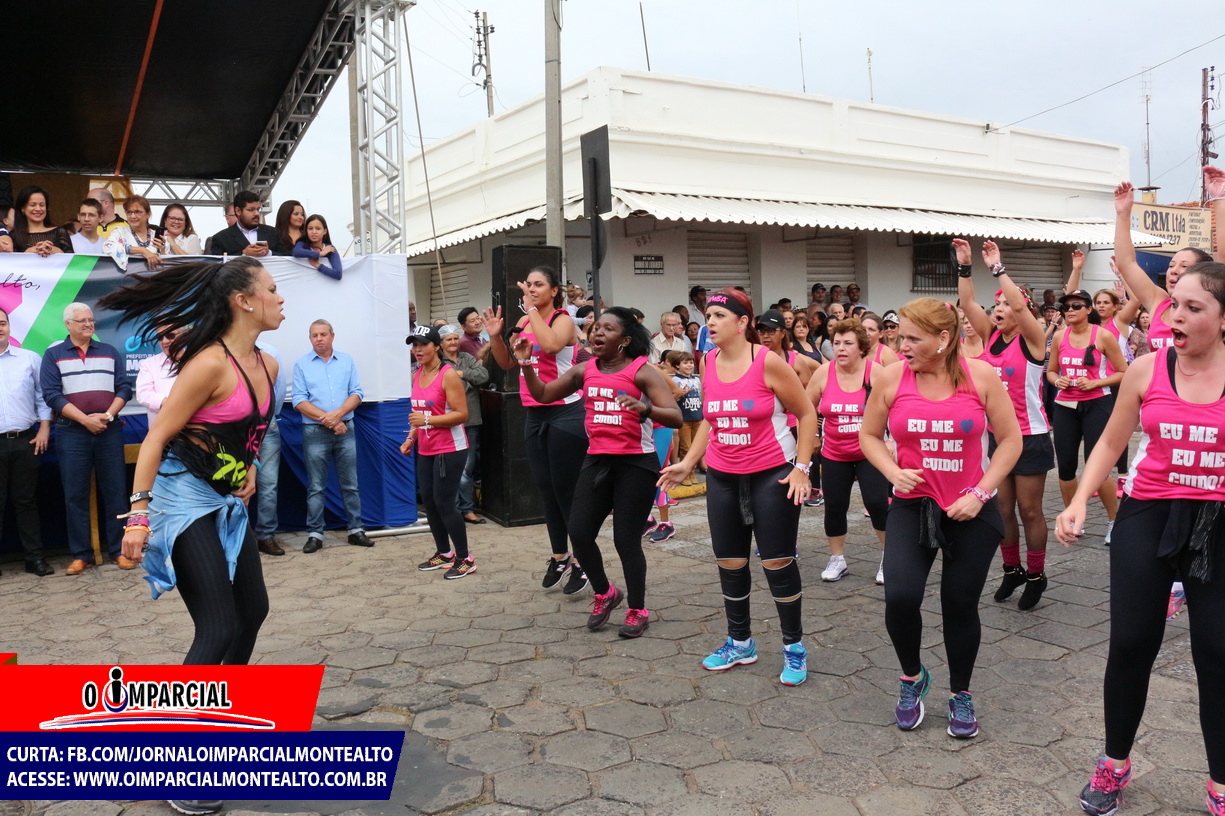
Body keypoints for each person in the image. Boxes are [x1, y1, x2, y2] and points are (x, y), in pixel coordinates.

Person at [1054, 262, 1225, 816]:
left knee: (1217, 653)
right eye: (1175, 305)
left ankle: (1221, 782)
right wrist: (1079, 500)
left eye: (1194, 308)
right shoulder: (1148, 369)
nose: (1176, 316)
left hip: (1217, 521)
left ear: (1224, 318)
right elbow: (1110, 442)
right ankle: (1114, 763)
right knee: (1131, 644)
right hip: (1147, 513)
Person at [99, 257, 280, 670]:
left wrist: (250, 467)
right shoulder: (209, 364)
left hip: (225, 499)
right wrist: (138, 518)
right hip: (182, 498)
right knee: (218, 627)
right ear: (244, 301)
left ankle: (224, 702)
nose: (280, 298)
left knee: (252, 612)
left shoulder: (267, 364)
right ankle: (181, 711)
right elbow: (155, 438)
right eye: (271, 290)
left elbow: (252, 427)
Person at [860, 297, 1021, 738]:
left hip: (971, 509)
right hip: (912, 505)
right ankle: (912, 677)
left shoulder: (980, 376)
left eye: (913, 339)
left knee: (959, 604)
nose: (902, 346)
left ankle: (960, 693)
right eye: (900, 337)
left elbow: (1011, 441)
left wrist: (980, 492)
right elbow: (868, 435)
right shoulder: (891, 378)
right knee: (900, 597)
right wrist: (892, 471)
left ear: (943, 338)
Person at [659, 288, 817, 686]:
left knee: (777, 562)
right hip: (723, 476)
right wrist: (688, 462)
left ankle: (794, 646)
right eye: (708, 315)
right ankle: (740, 642)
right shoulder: (708, 361)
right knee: (730, 562)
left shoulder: (768, 362)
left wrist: (802, 468)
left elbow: (806, 413)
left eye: (719, 316)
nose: (709, 322)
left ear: (743, 323)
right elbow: (711, 420)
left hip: (772, 474)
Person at [517, 307, 681, 636]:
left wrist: (645, 408)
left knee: (625, 540)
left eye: (608, 329)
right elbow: (543, 395)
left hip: (636, 463)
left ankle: (637, 609)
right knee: (579, 532)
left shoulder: (642, 372)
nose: (597, 333)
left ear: (625, 341)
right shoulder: (584, 370)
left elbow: (675, 416)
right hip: (596, 461)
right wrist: (526, 365)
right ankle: (605, 593)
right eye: (596, 328)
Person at [957, 239, 1057, 610]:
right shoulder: (991, 336)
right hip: (996, 438)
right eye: (996, 304)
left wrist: (998, 268)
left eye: (1005, 305)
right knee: (1001, 508)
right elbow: (967, 302)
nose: (999, 309)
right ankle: (1011, 569)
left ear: (1022, 311)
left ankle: (1036, 574)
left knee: (1029, 510)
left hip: (1030, 436)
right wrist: (965, 266)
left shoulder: (1033, 340)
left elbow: (1018, 303)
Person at [483, 266, 591, 594]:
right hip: (534, 413)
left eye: (538, 284)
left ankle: (583, 561)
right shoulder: (525, 320)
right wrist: (495, 336)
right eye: (528, 284)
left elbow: (553, 345)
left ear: (554, 290)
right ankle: (559, 556)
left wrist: (531, 311)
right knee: (546, 489)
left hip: (566, 412)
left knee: (566, 491)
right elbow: (507, 363)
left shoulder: (562, 319)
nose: (531, 289)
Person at [41, 303, 133, 575]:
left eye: (91, 320)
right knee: (75, 494)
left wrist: (107, 415)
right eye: (82, 321)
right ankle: (82, 555)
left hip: (108, 430)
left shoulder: (109, 351)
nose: (88, 324)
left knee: (116, 491)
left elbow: (124, 388)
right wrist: (85, 420)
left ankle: (119, 551)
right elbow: (51, 395)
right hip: (71, 432)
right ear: (68, 325)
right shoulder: (54, 354)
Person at [808, 317, 888, 585]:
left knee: (877, 504)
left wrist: (892, 441)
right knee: (835, 506)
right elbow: (805, 409)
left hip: (869, 452)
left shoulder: (876, 373)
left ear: (861, 347)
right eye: (837, 343)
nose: (841, 348)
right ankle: (837, 558)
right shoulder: (823, 373)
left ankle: (889, 556)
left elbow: (897, 408)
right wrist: (814, 435)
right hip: (835, 452)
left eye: (848, 343)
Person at [1047, 289, 1128, 544]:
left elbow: (1124, 372)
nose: (1070, 310)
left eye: (1076, 306)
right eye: (1066, 307)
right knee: (1066, 467)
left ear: (1088, 309)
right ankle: (1071, 518)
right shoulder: (1059, 337)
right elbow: (1051, 372)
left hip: (1096, 403)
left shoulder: (1102, 336)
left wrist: (1095, 383)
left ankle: (1114, 521)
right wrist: (1058, 381)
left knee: (1098, 467)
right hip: (1065, 406)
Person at [292, 320, 372, 553]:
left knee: (351, 485)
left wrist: (337, 416)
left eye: (323, 334)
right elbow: (299, 400)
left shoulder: (346, 361)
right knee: (316, 487)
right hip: (315, 432)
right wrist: (330, 421)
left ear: (332, 336)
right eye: (314, 335)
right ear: (310, 338)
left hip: (345, 429)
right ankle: (315, 534)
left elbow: (356, 393)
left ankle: (355, 531)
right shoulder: (301, 365)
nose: (319, 338)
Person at [403, 325, 475, 578]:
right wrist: (411, 438)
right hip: (426, 448)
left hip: (450, 447)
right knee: (430, 502)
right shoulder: (416, 374)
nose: (418, 349)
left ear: (436, 347)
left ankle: (465, 558)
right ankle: (444, 553)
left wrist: (427, 421)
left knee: (445, 503)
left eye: (423, 344)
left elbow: (462, 415)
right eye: (414, 345)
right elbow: (418, 415)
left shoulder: (448, 375)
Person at [0, 306, 54, 576]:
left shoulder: (29, 358)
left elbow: (43, 397)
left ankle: (34, 559)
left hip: (25, 440)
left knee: (26, 501)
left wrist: (44, 428)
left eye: (2, 323)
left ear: (9, 326)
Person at [437, 323, 489, 524]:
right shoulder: (438, 362)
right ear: (441, 343)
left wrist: (462, 374)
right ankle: (452, 510)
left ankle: (466, 509)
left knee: (468, 468)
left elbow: (483, 376)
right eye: (448, 339)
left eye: (455, 338)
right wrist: (464, 381)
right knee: (448, 469)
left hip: (470, 419)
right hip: (448, 421)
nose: (453, 342)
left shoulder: (467, 358)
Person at [252, 341, 288, 557]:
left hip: (266, 423)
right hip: (234, 425)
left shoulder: (270, 352)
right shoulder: (222, 349)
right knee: (233, 481)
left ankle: (265, 535)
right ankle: (237, 536)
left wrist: (270, 415)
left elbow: (279, 390)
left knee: (268, 483)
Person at [209, 192, 285, 258]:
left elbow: (287, 258)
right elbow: (218, 265)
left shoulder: (273, 233)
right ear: (238, 211)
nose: (257, 213)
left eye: (258, 209)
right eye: (251, 210)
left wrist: (268, 253)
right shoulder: (221, 238)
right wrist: (244, 254)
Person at [136, 326, 186, 422]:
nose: (164, 341)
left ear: (183, 334)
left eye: (170, 335)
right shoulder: (149, 364)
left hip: (195, 426)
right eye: (160, 337)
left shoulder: (197, 360)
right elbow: (143, 395)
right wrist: (172, 405)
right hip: (162, 428)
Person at [105, 195, 164, 270]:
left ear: (148, 214)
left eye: (137, 212)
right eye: (129, 212)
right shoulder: (119, 232)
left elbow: (168, 264)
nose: (132, 216)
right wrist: (142, 250)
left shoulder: (155, 235)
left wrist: (163, 251)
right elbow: (107, 247)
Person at [10, 186, 72, 255]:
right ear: (22, 208)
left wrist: (59, 252)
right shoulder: (14, 236)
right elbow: (8, 261)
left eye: (42, 205)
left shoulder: (59, 232)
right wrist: (27, 253)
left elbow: (73, 260)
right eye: (33, 205)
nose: (38, 209)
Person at [672, 351, 703, 476]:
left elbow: (701, 396)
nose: (689, 365)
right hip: (684, 417)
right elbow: (671, 398)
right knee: (686, 447)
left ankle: (692, 472)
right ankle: (686, 474)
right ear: (677, 365)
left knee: (696, 448)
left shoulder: (696, 380)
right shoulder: (675, 380)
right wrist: (679, 394)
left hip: (697, 416)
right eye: (685, 363)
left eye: (691, 363)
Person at [292, 214, 342, 280]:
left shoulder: (329, 249)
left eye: (318, 229)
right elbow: (296, 252)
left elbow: (338, 274)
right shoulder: (303, 244)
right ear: (306, 231)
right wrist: (319, 254)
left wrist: (317, 265)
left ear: (325, 231)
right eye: (310, 228)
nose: (314, 232)